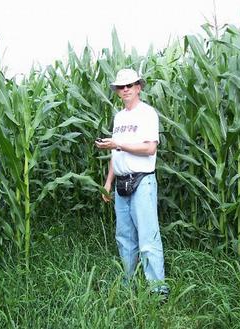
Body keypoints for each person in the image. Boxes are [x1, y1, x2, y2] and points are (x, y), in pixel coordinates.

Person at [94, 69, 169, 301]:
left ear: (139, 87)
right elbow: (116, 156)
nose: (125, 89)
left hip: (142, 181)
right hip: (121, 184)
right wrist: (107, 183)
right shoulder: (119, 117)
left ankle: (158, 291)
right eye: (120, 86)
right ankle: (129, 284)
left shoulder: (147, 114)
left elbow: (150, 148)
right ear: (117, 92)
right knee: (124, 237)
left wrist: (118, 144)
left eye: (130, 85)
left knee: (148, 238)